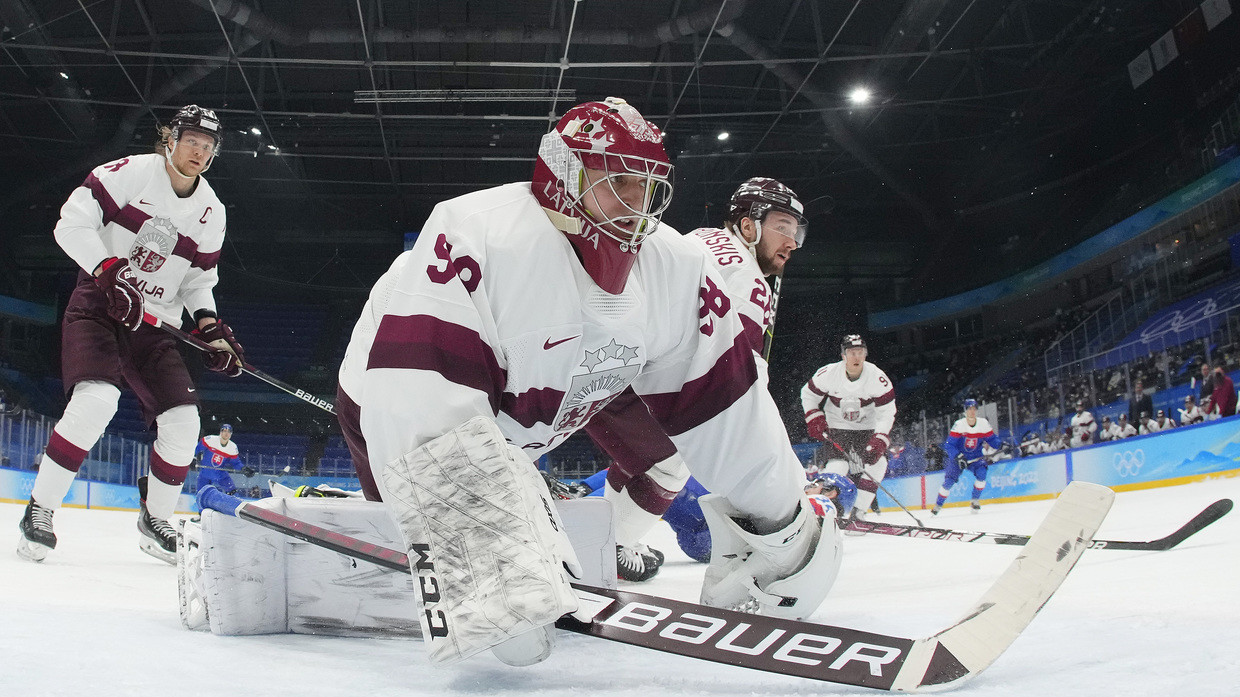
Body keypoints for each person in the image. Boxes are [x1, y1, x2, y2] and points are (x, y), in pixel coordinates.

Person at [334, 97, 839, 667]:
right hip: (380, 394)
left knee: (664, 457)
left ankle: (606, 540)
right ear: (562, 178)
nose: (634, 206)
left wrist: (778, 517)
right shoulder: (478, 235)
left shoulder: (675, 264)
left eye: (646, 187)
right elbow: (418, 405)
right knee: (458, 589)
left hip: (543, 400)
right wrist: (488, 563)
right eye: (617, 182)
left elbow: (725, 400)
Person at [17, 105, 245, 565]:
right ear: (170, 138)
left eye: (208, 146)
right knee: (96, 401)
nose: (199, 152)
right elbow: (70, 224)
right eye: (192, 141)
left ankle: (155, 520)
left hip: (154, 324)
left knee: (185, 423)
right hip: (100, 305)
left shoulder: (212, 211)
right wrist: (107, 270)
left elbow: (198, 281)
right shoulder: (130, 173)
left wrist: (210, 328)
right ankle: (40, 509)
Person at [581, 176, 810, 582]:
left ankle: (609, 540)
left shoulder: (702, 238)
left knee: (648, 457)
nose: (792, 242)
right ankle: (597, 551)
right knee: (672, 461)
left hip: (593, 350)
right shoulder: (747, 279)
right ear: (748, 225)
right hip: (622, 362)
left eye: (797, 232)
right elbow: (737, 379)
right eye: (783, 227)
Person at [799, 334, 896, 522]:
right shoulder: (828, 373)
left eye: (860, 352)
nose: (856, 357)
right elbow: (808, 394)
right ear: (843, 355)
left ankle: (858, 513)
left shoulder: (877, 377)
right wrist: (814, 417)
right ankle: (821, 511)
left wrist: (880, 438)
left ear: (865, 354)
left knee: (878, 463)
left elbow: (887, 412)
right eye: (852, 353)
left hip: (868, 428)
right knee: (837, 466)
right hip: (837, 427)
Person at [932, 399, 1000, 515]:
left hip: (976, 458)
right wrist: (958, 456)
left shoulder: (983, 423)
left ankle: (975, 501)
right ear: (965, 411)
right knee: (948, 482)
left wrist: (1000, 444)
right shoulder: (959, 425)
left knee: (982, 474)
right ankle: (938, 505)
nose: (972, 411)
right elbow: (949, 445)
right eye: (969, 409)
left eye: (974, 409)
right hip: (958, 458)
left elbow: (992, 439)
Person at [192, 423, 253, 495]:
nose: (226, 433)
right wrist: (194, 458)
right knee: (200, 494)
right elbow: (197, 449)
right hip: (205, 473)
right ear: (220, 432)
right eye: (224, 431)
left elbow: (236, 463)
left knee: (232, 491)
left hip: (219, 474)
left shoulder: (232, 447)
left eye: (229, 432)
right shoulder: (210, 440)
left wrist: (243, 469)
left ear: (231, 434)